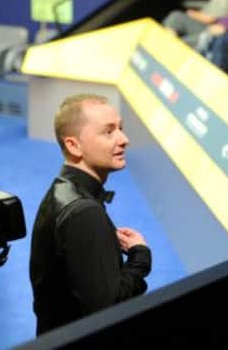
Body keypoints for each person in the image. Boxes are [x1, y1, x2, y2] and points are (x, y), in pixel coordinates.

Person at [29, 94, 152, 335]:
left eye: (120, 129)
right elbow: (110, 311)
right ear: (74, 145)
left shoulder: (61, 189)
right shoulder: (85, 214)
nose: (124, 139)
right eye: (108, 132)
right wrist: (140, 257)